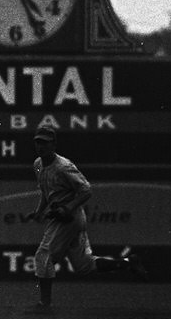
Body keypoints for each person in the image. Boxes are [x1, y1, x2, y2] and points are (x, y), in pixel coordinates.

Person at [30, 126, 145, 308]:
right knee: (84, 265)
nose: (40, 146)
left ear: (54, 144)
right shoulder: (38, 164)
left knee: (43, 255)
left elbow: (86, 190)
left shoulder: (63, 166)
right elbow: (46, 193)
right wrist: (39, 211)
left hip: (70, 217)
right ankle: (127, 262)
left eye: (44, 142)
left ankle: (44, 303)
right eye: (38, 142)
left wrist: (68, 208)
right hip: (63, 217)